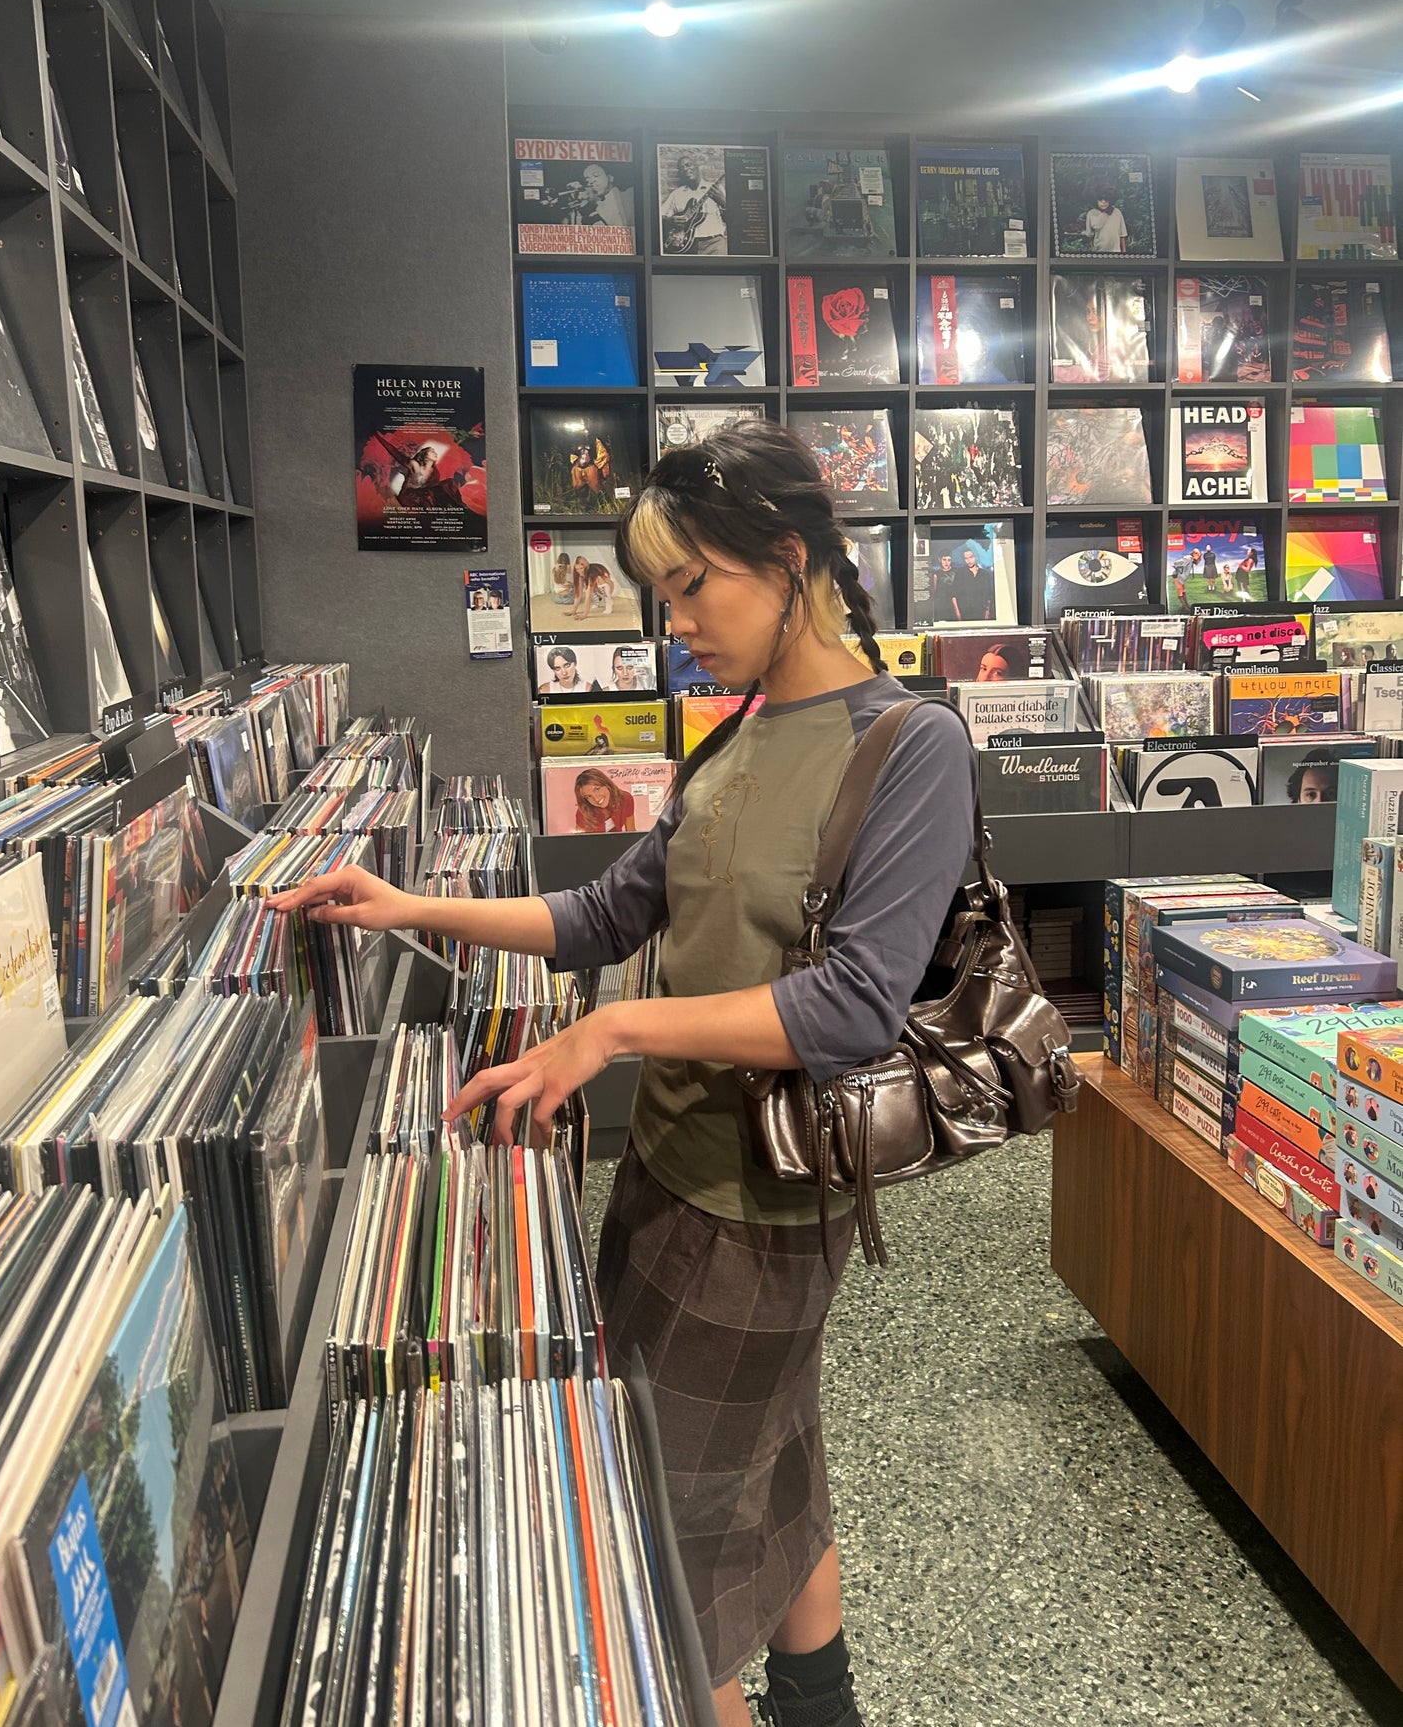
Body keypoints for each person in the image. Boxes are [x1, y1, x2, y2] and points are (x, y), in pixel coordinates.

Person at [268, 420, 975, 1727]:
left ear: (787, 558)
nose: (677, 623)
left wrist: (614, 1033)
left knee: (672, 1537)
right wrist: (403, 903)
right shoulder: (733, 736)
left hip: (763, 1201)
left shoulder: (909, 745)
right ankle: (823, 1698)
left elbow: (857, 1002)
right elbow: (603, 914)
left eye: (693, 585)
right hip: (663, 1174)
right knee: (767, 1459)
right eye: (662, 596)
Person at [661, 148, 727, 255]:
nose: (686, 169)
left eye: (688, 165)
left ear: (697, 166)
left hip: (715, 245)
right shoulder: (677, 194)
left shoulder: (715, 189)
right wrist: (671, 220)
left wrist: (722, 201)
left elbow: (734, 220)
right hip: (688, 246)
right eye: (682, 168)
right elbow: (659, 217)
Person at [571, 766, 636, 833]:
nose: (596, 799)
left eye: (597, 789)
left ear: (606, 784)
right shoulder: (584, 811)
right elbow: (579, 840)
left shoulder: (625, 799)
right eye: (589, 796)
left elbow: (631, 832)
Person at [580, 162, 635, 231]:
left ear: (610, 177)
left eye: (596, 175)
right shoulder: (596, 208)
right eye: (587, 180)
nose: (591, 181)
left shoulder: (630, 194)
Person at [1085, 183, 1127, 253]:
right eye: (1100, 199)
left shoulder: (1117, 212)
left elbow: (1122, 235)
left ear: (1111, 199)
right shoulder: (1091, 214)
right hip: (1099, 253)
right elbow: (1090, 236)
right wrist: (1093, 250)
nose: (1103, 202)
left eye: (1106, 199)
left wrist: (1124, 252)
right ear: (1095, 199)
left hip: (1116, 252)